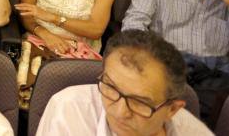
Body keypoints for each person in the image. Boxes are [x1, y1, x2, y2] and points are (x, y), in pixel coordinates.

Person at [36, 29, 213, 136]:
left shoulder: (196, 132)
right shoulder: (68, 109)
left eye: (140, 102)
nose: (120, 112)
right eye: (111, 87)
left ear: (172, 109)